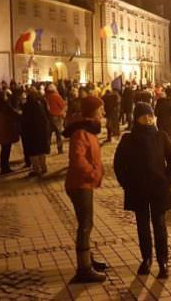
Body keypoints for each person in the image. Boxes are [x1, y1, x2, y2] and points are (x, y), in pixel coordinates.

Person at [114, 102, 171, 279]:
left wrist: (168, 179)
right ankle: (146, 258)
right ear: (137, 119)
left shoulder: (161, 136)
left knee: (159, 225)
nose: (148, 119)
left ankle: (163, 261)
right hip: (138, 189)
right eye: (144, 116)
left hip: (158, 188)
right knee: (142, 226)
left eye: (150, 116)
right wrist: (127, 183)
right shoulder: (128, 139)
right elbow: (118, 165)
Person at [63, 96, 108, 283]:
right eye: (100, 109)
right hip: (79, 184)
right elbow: (77, 158)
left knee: (86, 223)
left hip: (83, 182)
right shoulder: (82, 132)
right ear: (93, 111)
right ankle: (84, 268)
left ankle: (87, 258)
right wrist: (93, 173)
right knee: (85, 225)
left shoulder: (89, 130)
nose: (103, 112)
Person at [21, 88, 51, 177]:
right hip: (41, 131)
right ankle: (43, 167)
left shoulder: (27, 106)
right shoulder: (40, 104)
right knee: (41, 150)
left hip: (32, 132)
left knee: (33, 152)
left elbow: (25, 120)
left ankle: (36, 169)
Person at [0, 90, 21, 174]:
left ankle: (4, 166)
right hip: (6, 128)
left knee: (4, 149)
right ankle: (5, 167)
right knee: (6, 149)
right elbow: (14, 113)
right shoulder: (4, 105)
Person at [45, 83, 66, 154]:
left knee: (48, 135)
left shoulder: (46, 97)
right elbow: (63, 105)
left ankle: (47, 149)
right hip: (57, 116)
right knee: (58, 134)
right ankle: (60, 149)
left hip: (48, 116)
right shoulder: (56, 96)